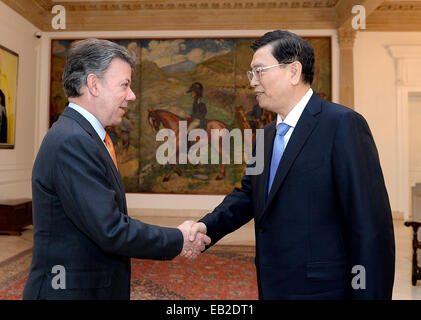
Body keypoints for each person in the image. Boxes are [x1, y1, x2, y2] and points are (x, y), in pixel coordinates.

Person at [189, 30, 395, 300]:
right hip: (273, 286)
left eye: (259, 71)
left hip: (324, 291)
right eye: (252, 73)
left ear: (294, 72)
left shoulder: (342, 125)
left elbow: (369, 228)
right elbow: (248, 196)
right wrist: (206, 228)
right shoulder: (265, 136)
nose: (253, 82)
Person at [23, 38, 210, 300]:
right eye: (125, 85)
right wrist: (178, 239)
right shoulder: (72, 140)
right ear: (93, 84)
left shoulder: (82, 135)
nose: (132, 95)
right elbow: (110, 229)